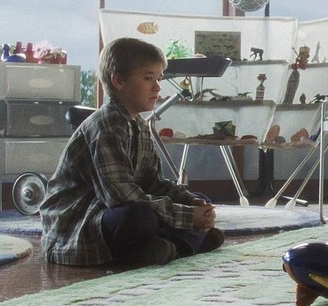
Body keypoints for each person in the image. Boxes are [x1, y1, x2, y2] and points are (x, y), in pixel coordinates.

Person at [41, 37, 225, 267]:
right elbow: (120, 197)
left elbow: (154, 183)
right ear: (118, 81)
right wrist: (187, 217)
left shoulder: (139, 125)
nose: (157, 87)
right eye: (148, 78)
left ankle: (164, 247)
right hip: (81, 221)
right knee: (138, 218)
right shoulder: (106, 126)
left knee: (200, 200)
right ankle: (180, 244)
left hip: (118, 207)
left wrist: (191, 203)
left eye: (158, 79)